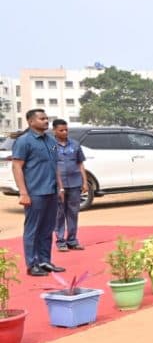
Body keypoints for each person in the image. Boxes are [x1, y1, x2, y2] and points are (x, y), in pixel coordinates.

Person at [11, 109, 65, 276]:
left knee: (47, 229)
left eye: (46, 118)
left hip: (51, 191)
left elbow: (55, 165)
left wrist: (60, 187)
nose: (46, 121)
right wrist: (23, 193)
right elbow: (17, 167)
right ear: (31, 122)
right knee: (33, 230)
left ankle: (44, 261)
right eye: (42, 119)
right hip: (35, 192)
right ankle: (32, 264)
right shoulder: (23, 141)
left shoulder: (51, 140)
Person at [52, 118, 86, 252]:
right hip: (57, 185)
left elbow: (80, 164)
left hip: (75, 183)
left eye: (66, 130)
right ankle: (60, 241)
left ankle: (72, 240)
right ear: (54, 130)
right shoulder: (51, 145)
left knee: (73, 213)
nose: (65, 132)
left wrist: (84, 182)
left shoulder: (75, 144)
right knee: (59, 214)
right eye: (61, 130)